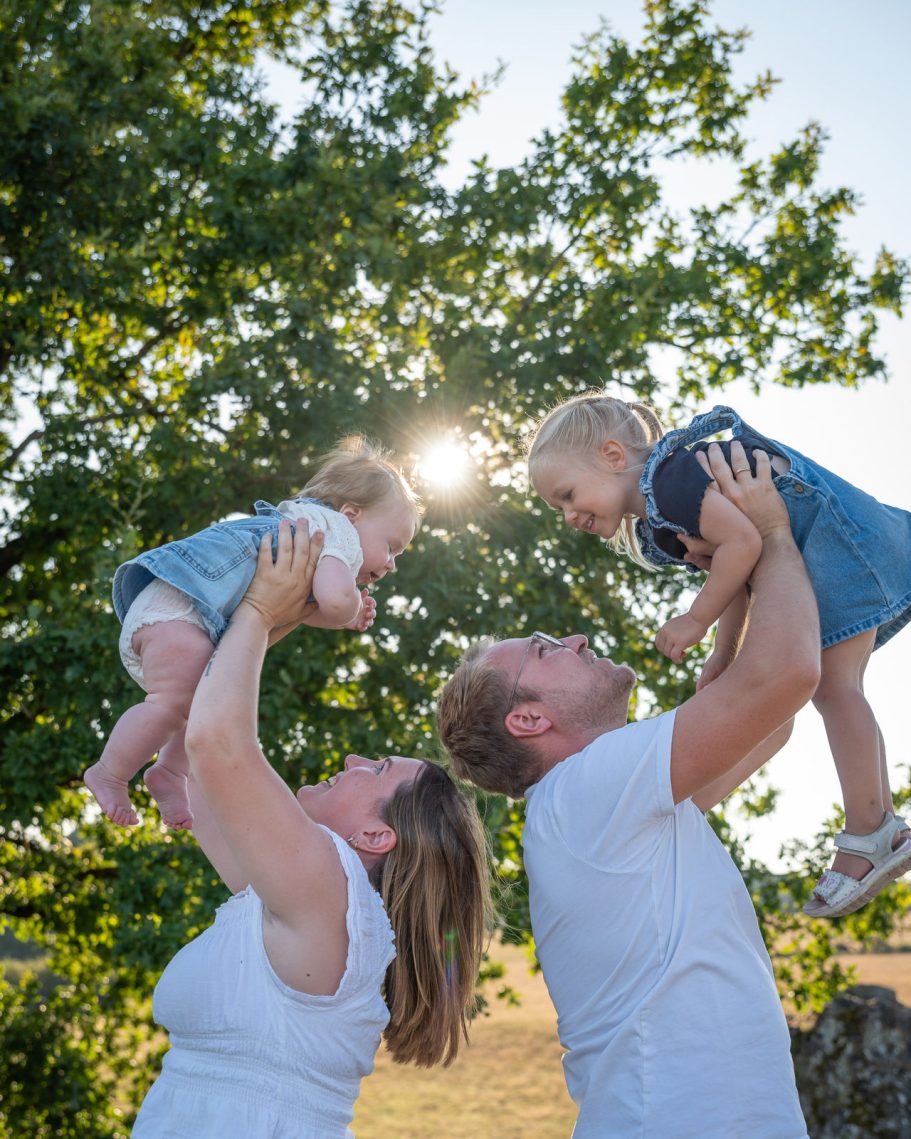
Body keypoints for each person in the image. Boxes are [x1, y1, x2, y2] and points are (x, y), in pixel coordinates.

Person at [437, 444, 818, 1138]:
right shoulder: (585, 789)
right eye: (548, 647)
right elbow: (787, 672)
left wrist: (732, 603)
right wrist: (770, 534)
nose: (576, 638)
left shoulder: (599, 810)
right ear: (528, 719)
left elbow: (769, 723)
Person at [132, 523, 493, 1138]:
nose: (353, 760)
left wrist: (256, 608)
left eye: (375, 769)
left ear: (377, 838)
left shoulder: (330, 892)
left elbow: (219, 745)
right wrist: (271, 620)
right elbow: (197, 757)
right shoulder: (296, 899)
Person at [526, 394, 911, 917]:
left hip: (840, 537)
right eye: (557, 509)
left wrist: (695, 620)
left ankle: (871, 830)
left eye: (568, 495)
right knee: (837, 687)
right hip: (828, 548)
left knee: (835, 688)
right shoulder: (660, 519)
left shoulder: (670, 481)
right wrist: (723, 653)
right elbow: (734, 574)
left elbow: (744, 544)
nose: (568, 515)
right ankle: (878, 824)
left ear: (614, 456)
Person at [86, 437, 421, 830]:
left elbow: (298, 605)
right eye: (392, 547)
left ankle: (170, 773)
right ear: (352, 513)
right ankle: (109, 772)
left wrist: (339, 610)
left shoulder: (309, 527)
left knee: (201, 704)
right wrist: (349, 611)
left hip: (184, 613)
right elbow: (332, 599)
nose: (392, 563)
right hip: (182, 607)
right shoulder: (335, 533)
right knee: (172, 700)